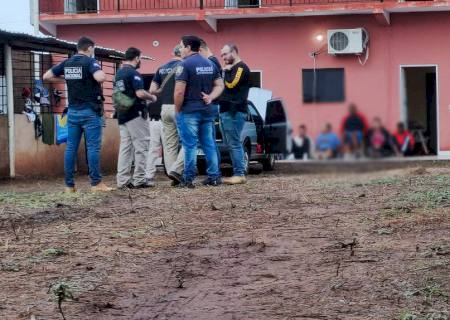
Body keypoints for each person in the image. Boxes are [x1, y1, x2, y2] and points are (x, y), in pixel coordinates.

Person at [43, 36, 112, 193]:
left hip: (72, 111)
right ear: (89, 48)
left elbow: (46, 76)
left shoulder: (67, 63)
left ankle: (69, 186)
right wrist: (91, 74)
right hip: (90, 111)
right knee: (93, 147)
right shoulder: (89, 62)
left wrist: (66, 77)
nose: (93, 52)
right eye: (93, 49)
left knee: (71, 148)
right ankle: (96, 184)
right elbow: (101, 77)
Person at [174, 35, 224, 188]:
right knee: (209, 144)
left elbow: (179, 92)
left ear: (189, 47)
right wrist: (210, 97)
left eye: (182, 46)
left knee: (190, 146)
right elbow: (220, 85)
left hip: (189, 111)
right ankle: (214, 177)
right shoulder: (210, 63)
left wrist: (177, 110)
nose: (180, 49)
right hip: (207, 111)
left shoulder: (184, 65)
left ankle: (188, 179)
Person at [114, 47, 157, 189]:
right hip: (135, 114)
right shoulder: (134, 74)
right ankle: (139, 179)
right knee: (142, 146)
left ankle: (122, 180)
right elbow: (139, 93)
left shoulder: (119, 73)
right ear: (137, 58)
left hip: (122, 114)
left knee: (125, 148)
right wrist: (151, 97)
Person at [149, 45, 184, 186]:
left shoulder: (161, 67)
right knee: (187, 141)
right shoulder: (184, 66)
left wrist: (163, 91)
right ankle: (178, 171)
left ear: (172, 52)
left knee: (169, 144)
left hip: (165, 109)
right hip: (179, 107)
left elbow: (152, 90)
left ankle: (172, 174)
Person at [219, 43, 251, 184]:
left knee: (235, 143)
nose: (223, 57)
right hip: (227, 110)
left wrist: (225, 72)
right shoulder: (232, 68)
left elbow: (231, 84)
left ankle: (239, 174)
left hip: (235, 111)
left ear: (234, 52)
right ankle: (237, 173)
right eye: (222, 55)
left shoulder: (241, 67)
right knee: (230, 143)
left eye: (225, 54)